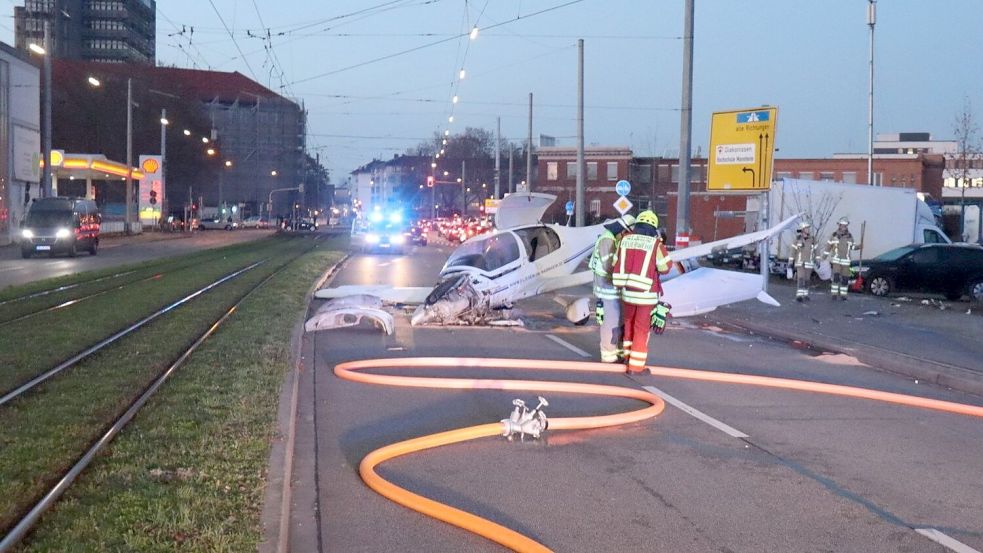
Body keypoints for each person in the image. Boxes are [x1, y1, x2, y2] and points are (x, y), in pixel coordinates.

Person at [611, 210, 672, 374]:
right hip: (646, 294)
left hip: (627, 292)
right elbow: (665, 268)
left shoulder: (625, 240)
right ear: (654, 228)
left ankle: (627, 357)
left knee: (629, 323)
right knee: (641, 329)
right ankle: (636, 366)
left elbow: (615, 262)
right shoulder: (655, 244)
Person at [587, 214, 636, 363]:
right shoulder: (607, 239)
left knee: (617, 320)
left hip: (610, 286)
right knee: (611, 322)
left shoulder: (611, 237)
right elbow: (609, 266)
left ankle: (617, 351)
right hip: (607, 287)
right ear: (623, 230)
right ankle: (608, 355)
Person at [824, 217, 859, 301]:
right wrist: (823, 257)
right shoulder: (834, 235)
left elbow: (852, 247)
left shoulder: (849, 236)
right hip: (836, 260)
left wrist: (858, 247)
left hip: (846, 261)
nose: (844, 227)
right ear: (839, 225)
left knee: (845, 279)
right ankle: (834, 294)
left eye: (845, 225)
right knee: (836, 277)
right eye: (842, 225)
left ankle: (843, 295)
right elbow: (828, 246)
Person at [788, 221, 818, 302]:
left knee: (807, 279)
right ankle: (799, 295)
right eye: (806, 228)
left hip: (809, 263)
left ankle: (805, 294)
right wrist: (790, 263)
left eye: (808, 228)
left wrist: (818, 260)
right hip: (800, 263)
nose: (808, 230)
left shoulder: (812, 240)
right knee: (800, 278)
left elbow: (816, 251)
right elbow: (792, 252)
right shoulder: (797, 240)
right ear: (802, 229)